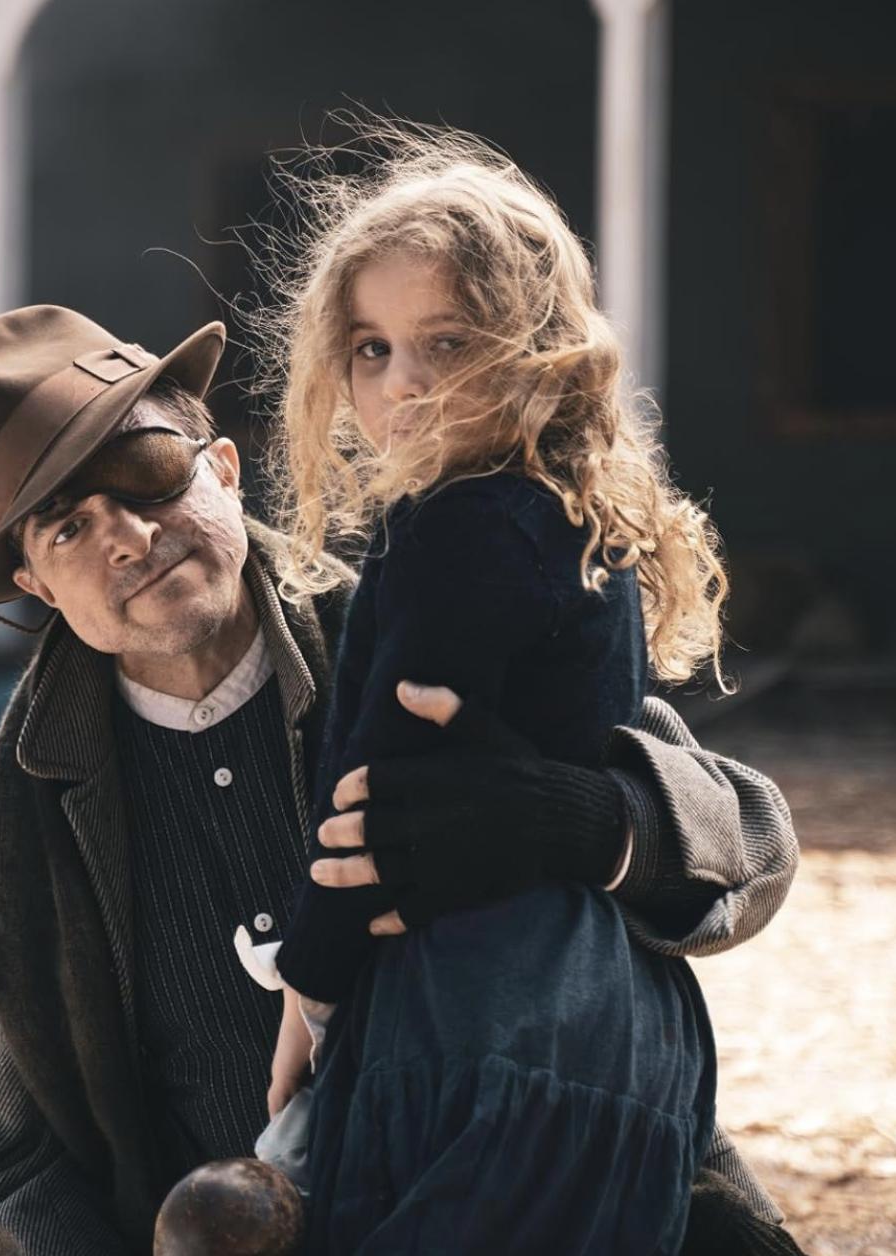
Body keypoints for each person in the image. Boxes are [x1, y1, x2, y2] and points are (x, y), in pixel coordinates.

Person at [0, 303, 800, 1254]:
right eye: (65, 528)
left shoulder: (425, 621)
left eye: (147, 472)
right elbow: (22, 1166)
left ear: (221, 466)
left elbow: (750, 837)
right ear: (38, 587)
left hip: (566, 1210)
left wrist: (579, 820)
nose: (127, 537)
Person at [259, 123, 792, 1253]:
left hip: (485, 1016)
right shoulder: (578, 520)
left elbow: (374, 792)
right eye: (371, 348)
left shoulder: (457, 530)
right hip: (635, 1020)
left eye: (446, 342)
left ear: (534, 346)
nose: (403, 383)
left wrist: (308, 992)